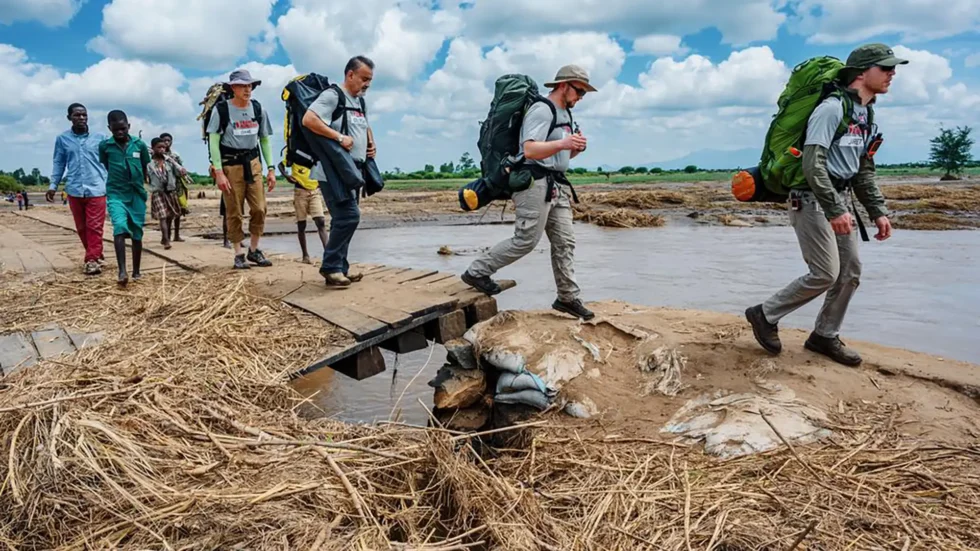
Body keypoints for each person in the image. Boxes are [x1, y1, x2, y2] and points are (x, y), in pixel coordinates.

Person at [745, 44, 905, 367]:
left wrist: (877, 211)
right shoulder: (832, 109)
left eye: (892, 68)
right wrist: (834, 210)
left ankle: (824, 335)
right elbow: (812, 163)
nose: (892, 74)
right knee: (825, 272)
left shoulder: (865, 113)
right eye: (885, 68)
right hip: (810, 198)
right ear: (862, 73)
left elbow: (862, 169)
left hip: (838, 199)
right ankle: (764, 314)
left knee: (850, 272)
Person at [461, 65, 596, 320]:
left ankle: (568, 298)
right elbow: (531, 150)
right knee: (526, 240)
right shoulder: (541, 110)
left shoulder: (565, 113)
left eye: (584, 93)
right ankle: (477, 271)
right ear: (564, 85)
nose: (580, 97)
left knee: (565, 242)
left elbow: (558, 152)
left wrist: (575, 149)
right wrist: (566, 143)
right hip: (534, 184)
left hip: (556, 185)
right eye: (579, 91)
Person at [302, 55, 376, 286]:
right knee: (349, 216)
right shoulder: (332, 96)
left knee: (342, 219)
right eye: (364, 79)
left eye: (370, 80)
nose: (366, 84)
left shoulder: (359, 102)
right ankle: (331, 267)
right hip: (332, 171)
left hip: (353, 171)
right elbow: (309, 119)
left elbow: (363, 125)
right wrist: (339, 137)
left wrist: (370, 144)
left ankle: (340, 268)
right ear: (350, 74)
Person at [206, 69, 276, 269]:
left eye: (250, 85)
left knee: (259, 208)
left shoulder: (258, 109)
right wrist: (219, 172)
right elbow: (214, 141)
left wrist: (270, 169)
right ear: (233, 88)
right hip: (230, 165)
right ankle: (238, 253)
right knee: (234, 210)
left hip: (253, 164)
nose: (247, 89)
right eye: (243, 86)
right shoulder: (222, 110)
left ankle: (254, 250)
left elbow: (264, 140)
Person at [46, 103, 110, 275]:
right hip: (74, 189)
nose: (81, 118)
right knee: (82, 228)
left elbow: (109, 162)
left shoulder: (100, 138)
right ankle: (97, 254)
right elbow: (59, 163)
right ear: (69, 118)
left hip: (97, 189)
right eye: (77, 115)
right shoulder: (62, 139)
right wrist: (53, 185)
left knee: (94, 226)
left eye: (84, 115)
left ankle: (91, 260)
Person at [99, 110, 151, 286]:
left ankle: (136, 271)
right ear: (110, 129)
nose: (120, 133)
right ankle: (122, 271)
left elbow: (144, 166)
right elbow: (106, 165)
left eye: (123, 129)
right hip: (116, 193)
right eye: (116, 130)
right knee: (119, 226)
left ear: (128, 126)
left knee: (137, 232)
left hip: (136, 193)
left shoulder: (139, 145)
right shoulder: (105, 146)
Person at [147, 137, 183, 250]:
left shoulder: (170, 161)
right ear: (153, 148)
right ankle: (167, 241)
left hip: (170, 192)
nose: (162, 149)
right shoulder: (149, 163)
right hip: (158, 192)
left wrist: (180, 169)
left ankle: (165, 236)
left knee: (170, 216)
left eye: (163, 147)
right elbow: (145, 176)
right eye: (159, 147)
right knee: (162, 216)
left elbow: (177, 173)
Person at [290, 165, 329, 264]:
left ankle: (328, 254)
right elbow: (281, 164)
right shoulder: (293, 151)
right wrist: (286, 176)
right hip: (300, 192)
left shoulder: (315, 152)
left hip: (314, 191)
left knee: (321, 221)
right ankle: (305, 255)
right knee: (301, 225)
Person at [160, 132, 190, 242]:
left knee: (178, 211)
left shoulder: (175, 155)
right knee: (167, 212)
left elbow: (181, 169)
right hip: (165, 186)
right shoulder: (158, 155)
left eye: (168, 140)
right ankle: (166, 235)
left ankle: (176, 235)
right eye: (164, 140)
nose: (167, 142)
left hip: (177, 185)